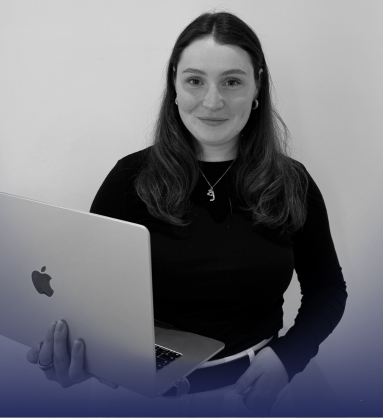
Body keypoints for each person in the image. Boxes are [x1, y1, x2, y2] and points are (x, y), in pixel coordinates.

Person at [26, 10, 347, 417]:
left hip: (253, 394)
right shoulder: (129, 179)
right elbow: (88, 302)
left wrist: (289, 358)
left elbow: (327, 289)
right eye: (195, 81)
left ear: (257, 86)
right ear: (174, 85)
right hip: (138, 398)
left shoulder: (291, 182)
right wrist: (76, 358)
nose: (213, 101)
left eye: (232, 81)